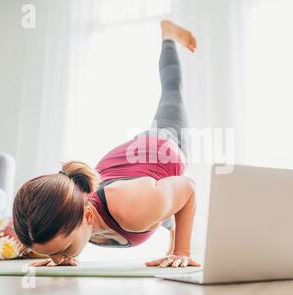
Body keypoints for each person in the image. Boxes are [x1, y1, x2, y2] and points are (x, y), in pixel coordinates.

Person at [13, 20, 201, 269]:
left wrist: (182, 251)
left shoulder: (134, 208)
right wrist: (59, 253)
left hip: (161, 146)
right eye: (50, 253)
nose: (57, 259)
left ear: (88, 215)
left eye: (62, 250)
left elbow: (188, 189)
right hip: (125, 168)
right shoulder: (67, 219)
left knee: (171, 90)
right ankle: (164, 214)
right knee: (157, 209)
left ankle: (167, 37)